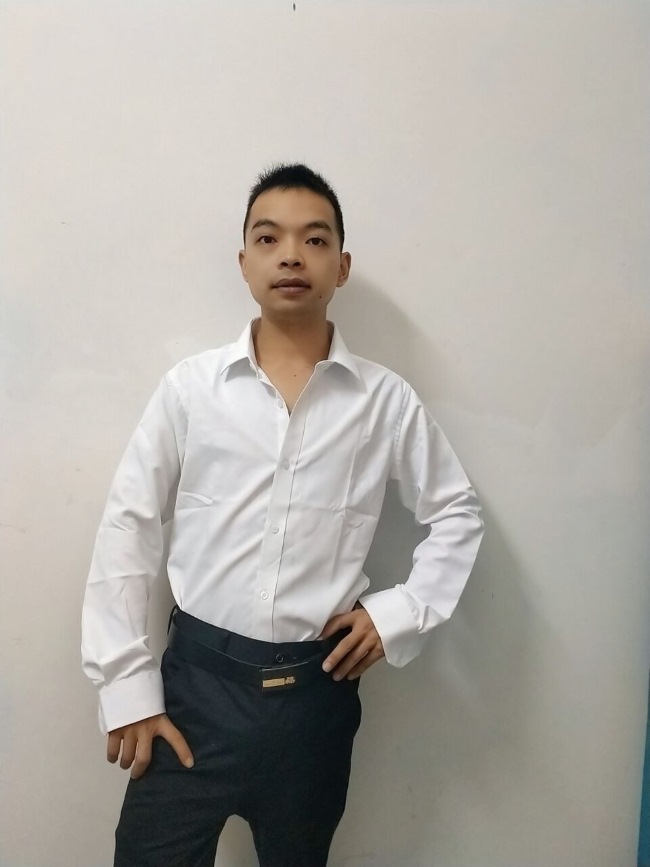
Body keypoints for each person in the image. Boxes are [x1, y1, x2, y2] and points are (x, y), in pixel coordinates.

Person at [81, 163, 484, 867]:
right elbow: (129, 526)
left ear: (341, 266)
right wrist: (126, 685)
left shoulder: (384, 402)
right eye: (269, 239)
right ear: (244, 262)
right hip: (193, 691)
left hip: (314, 699)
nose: (291, 255)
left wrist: (398, 614)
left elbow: (457, 510)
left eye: (314, 240)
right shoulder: (191, 390)